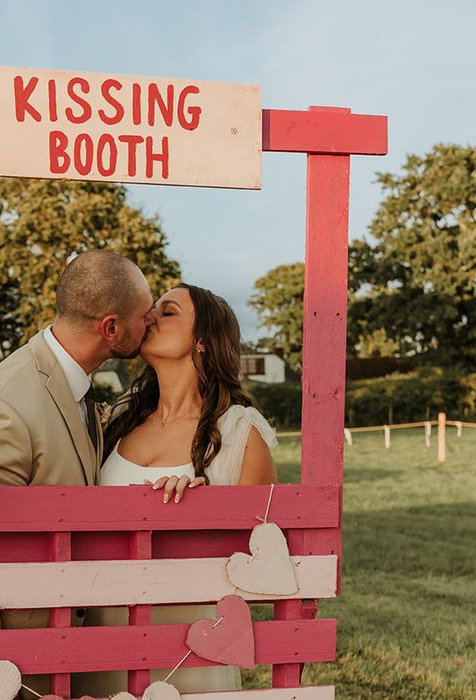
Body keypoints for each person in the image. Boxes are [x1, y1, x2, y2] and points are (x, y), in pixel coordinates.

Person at [0, 250, 155, 699]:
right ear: (111, 327)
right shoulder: (3, 407)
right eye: (144, 314)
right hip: (18, 662)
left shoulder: (70, 380)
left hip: (70, 643)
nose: (150, 322)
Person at [72, 283, 277, 697]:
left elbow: (262, 554)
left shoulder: (238, 432)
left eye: (168, 312)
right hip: (100, 625)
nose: (150, 318)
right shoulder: (122, 417)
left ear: (202, 341)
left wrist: (202, 509)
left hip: (182, 639)